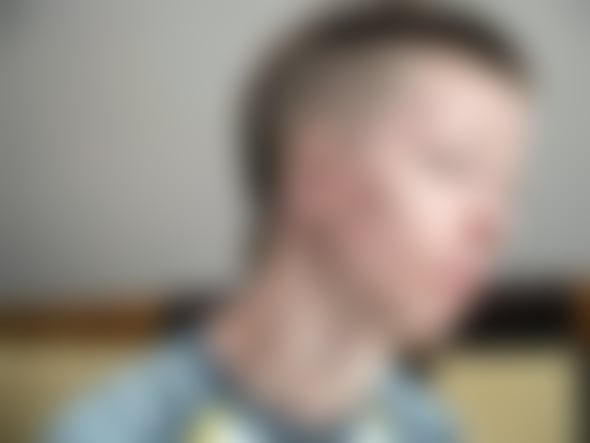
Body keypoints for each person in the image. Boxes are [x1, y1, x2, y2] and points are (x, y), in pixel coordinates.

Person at [48, 3, 531, 443]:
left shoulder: (429, 429)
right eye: (453, 164)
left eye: (504, 185)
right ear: (316, 176)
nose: (494, 223)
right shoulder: (118, 432)